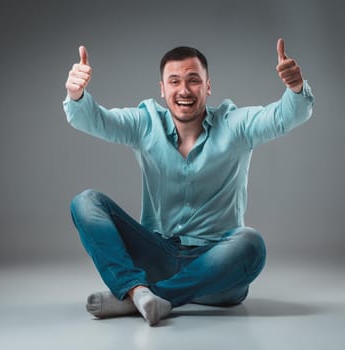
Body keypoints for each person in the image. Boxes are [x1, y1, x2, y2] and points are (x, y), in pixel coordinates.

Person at [63, 39, 314, 326]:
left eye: (194, 80)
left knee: (250, 242)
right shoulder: (146, 123)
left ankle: (137, 297)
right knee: (86, 202)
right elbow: (95, 120)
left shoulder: (235, 124)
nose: (184, 90)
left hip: (217, 273)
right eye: (174, 81)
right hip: (157, 257)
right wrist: (77, 94)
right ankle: (140, 291)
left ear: (208, 87)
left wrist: (295, 89)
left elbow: (285, 116)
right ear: (162, 89)